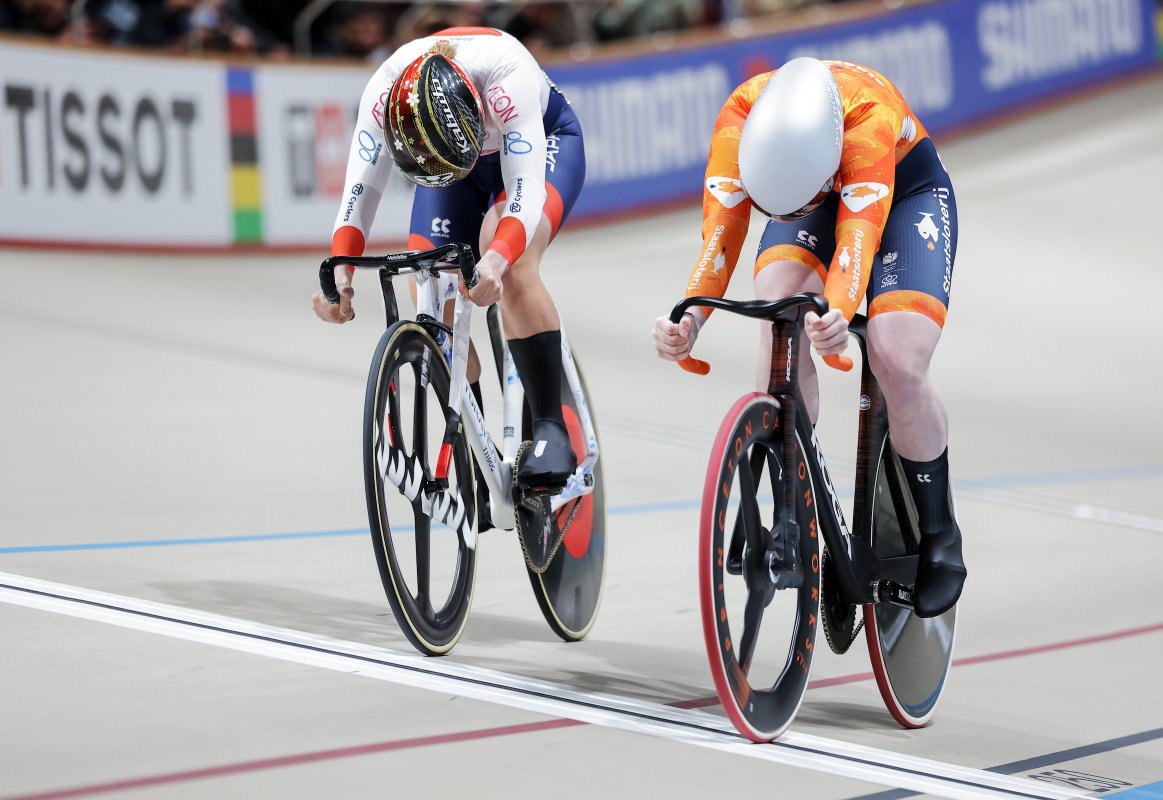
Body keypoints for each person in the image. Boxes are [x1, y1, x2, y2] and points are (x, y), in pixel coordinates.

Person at [652, 57, 966, 618]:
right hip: (814, 198)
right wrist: (691, 320)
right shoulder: (742, 114)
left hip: (903, 196)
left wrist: (838, 313)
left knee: (897, 355)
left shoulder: (868, 115)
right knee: (777, 302)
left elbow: (856, 245)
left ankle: (940, 530)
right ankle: (791, 495)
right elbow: (721, 237)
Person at [313, 27, 586, 494]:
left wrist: (497, 262)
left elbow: (524, 194)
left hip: (541, 145)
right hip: (448, 167)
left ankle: (550, 426)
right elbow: (359, 193)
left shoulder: (506, 77)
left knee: (513, 265)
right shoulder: (385, 92)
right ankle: (470, 447)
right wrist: (340, 270)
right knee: (429, 288)